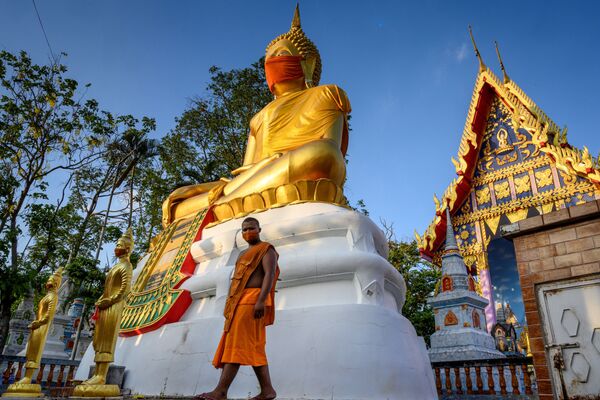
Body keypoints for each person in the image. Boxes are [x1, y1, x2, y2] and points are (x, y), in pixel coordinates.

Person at [197, 217, 280, 400]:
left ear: (259, 229)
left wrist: (261, 300)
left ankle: (220, 391)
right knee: (252, 346)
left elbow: (270, 274)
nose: (247, 232)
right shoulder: (243, 254)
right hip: (238, 302)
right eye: (244, 230)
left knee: (237, 345)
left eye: (251, 228)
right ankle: (267, 390)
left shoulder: (267, 249)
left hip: (252, 301)